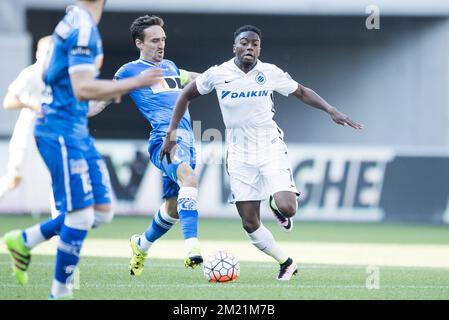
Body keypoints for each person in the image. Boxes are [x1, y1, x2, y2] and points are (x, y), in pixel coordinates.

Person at [161, 25, 363, 281]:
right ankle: (286, 263)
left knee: (288, 208)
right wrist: (171, 133)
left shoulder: (270, 73)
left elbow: (301, 91)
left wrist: (331, 109)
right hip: (238, 153)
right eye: (244, 43)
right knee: (249, 223)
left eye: (255, 44)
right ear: (235, 47)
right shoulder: (218, 73)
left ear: (259, 48)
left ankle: (276, 205)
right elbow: (185, 96)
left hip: (269, 145)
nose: (249, 48)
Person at [3, 0, 161, 299]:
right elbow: (82, 87)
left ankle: (25, 239)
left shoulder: (75, 18)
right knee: (79, 216)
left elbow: (69, 81)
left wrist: (111, 90)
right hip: (60, 131)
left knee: (101, 212)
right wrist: (132, 83)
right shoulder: (84, 27)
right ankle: (59, 294)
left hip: (74, 128)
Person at [112, 14, 202, 276]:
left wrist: (227, 77)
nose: (161, 45)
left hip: (187, 138)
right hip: (165, 140)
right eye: (154, 41)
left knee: (173, 208)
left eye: (163, 39)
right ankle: (192, 248)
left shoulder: (172, 67)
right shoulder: (128, 71)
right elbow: (104, 98)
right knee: (189, 177)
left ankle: (141, 245)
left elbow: (198, 78)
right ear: (139, 43)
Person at [0, 36, 51, 201]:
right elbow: (8, 101)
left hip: (50, 133)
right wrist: (34, 106)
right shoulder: (30, 74)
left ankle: (61, 221)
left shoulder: (59, 75)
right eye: (47, 52)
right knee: (14, 180)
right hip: (27, 133)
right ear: (38, 53)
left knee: (59, 177)